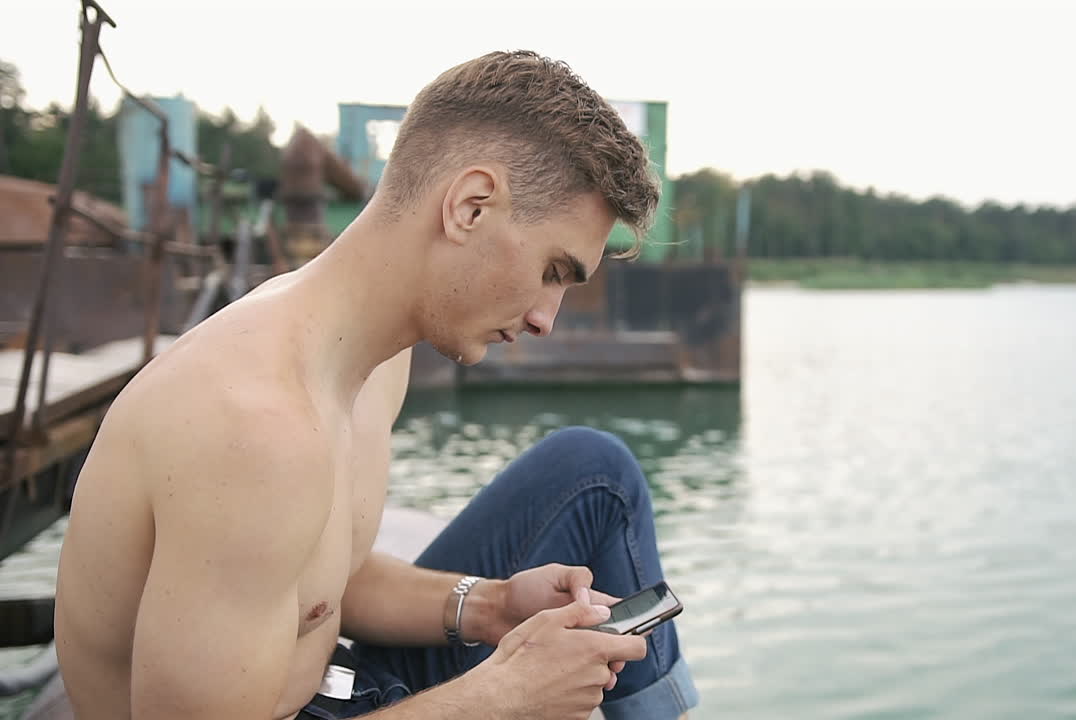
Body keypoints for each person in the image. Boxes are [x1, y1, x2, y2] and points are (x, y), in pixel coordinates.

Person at [53, 50, 699, 720]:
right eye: (552, 270)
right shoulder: (255, 428)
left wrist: (490, 607)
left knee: (595, 474)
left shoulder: (369, 358)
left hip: (333, 683)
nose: (545, 318)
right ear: (471, 208)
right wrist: (501, 696)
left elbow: (319, 583)